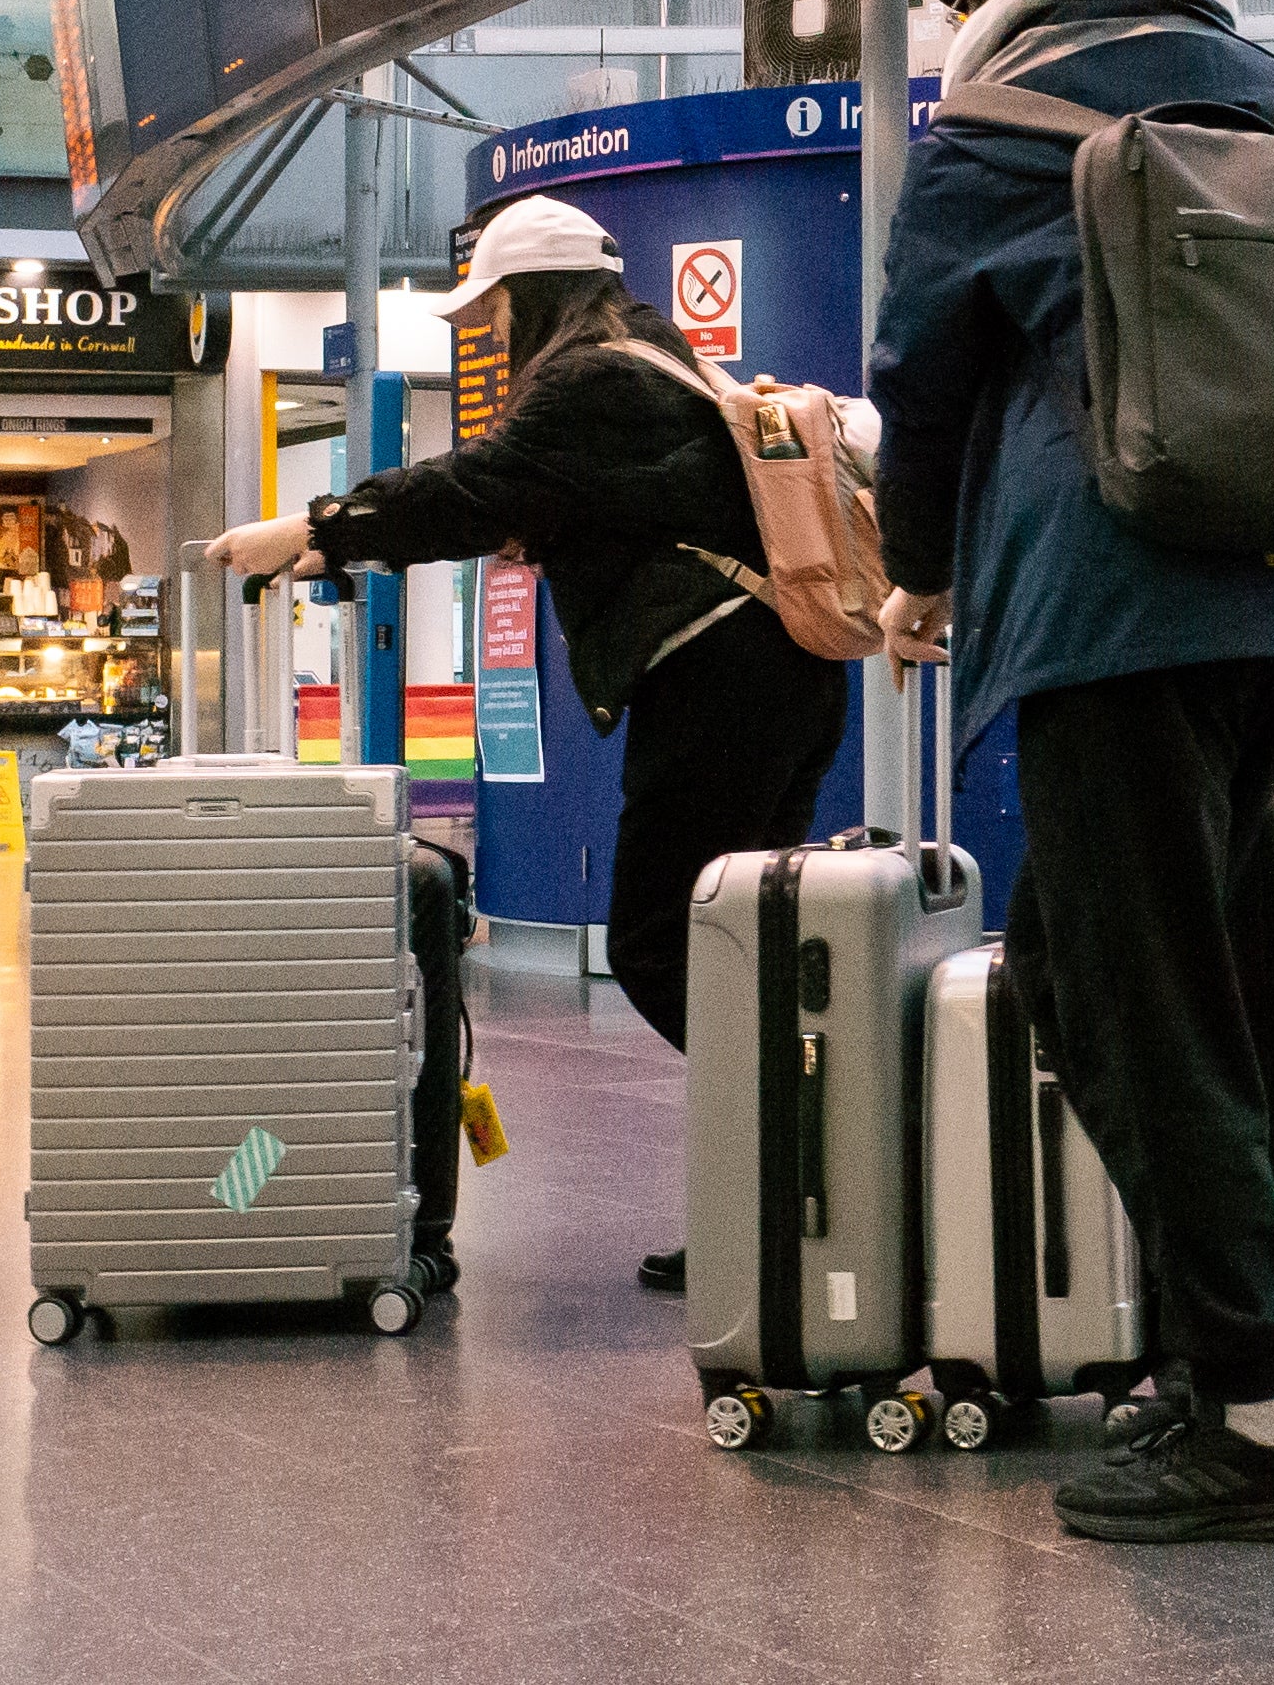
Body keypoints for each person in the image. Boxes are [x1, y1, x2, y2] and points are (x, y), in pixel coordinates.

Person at [870, 0, 1274, 1547]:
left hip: (1110, 609)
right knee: (1117, 967)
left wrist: (918, 574)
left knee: (1144, 999)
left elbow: (916, 379)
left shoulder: (996, 123)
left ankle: (1259, 1412)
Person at [206, 193, 849, 1296]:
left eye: (492, 308)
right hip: (778, 682)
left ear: (528, 296)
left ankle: (817, 1148)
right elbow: (557, 501)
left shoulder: (589, 378)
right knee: (742, 939)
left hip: (720, 683)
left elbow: (471, 486)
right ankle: (789, 1202)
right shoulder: (655, 355)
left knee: (661, 939)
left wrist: (309, 528)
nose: (489, 331)